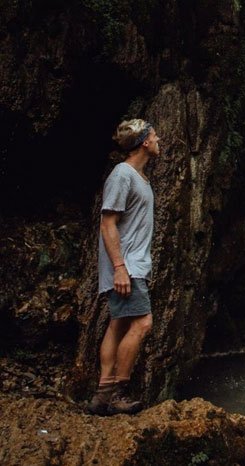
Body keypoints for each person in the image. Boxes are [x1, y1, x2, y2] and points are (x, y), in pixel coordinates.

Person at [87, 119, 160, 415]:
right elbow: (107, 223)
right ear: (144, 142)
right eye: (155, 135)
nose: (159, 139)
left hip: (133, 264)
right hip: (127, 266)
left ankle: (102, 396)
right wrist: (119, 267)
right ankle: (116, 392)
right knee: (143, 324)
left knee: (118, 324)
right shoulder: (122, 175)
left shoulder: (139, 177)